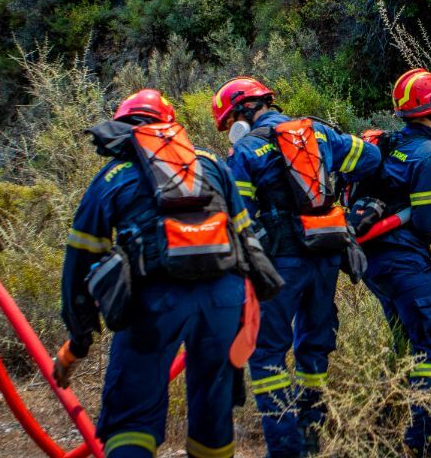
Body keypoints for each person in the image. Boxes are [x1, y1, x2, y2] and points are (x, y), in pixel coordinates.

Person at [53, 89, 281, 458]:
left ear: (122, 126)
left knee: (132, 418)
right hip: (224, 298)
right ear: (170, 125)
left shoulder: (112, 174)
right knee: (213, 416)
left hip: (153, 300)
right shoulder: (208, 163)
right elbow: (248, 242)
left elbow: (79, 264)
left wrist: (76, 346)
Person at [211, 77, 380, 457]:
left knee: (267, 355)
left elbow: (240, 218)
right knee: (313, 346)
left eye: (230, 122)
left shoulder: (246, 151)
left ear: (242, 114)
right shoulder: (317, 132)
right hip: (325, 256)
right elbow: (370, 159)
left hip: (279, 267)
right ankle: (310, 432)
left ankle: (286, 449)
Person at [351, 69, 431, 458]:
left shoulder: (391, 144)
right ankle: (423, 445)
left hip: (375, 262)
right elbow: (428, 220)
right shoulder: (430, 155)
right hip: (403, 263)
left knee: (406, 346)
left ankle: (381, 436)